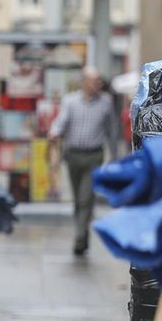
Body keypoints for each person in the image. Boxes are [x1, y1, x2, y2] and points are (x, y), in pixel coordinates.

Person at [49, 66, 118, 256]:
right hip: (73, 155)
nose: (98, 84)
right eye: (94, 81)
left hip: (94, 156)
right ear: (84, 82)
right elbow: (61, 121)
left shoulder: (106, 102)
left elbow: (112, 131)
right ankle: (83, 234)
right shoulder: (70, 101)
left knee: (86, 197)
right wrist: (54, 132)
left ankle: (79, 237)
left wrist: (114, 156)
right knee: (78, 200)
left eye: (99, 81)